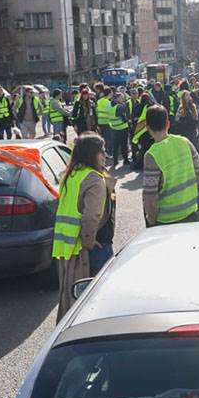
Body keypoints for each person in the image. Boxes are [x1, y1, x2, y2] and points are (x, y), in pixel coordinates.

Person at [51, 133, 115, 320]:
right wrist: (89, 241)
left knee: (72, 297)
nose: (105, 155)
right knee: (97, 301)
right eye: (101, 152)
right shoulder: (94, 179)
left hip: (67, 246)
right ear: (90, 154)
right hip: (90, 248)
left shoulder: (72, 174)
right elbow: (92, 215)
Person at [142, 105, 199, 226]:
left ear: (147, 127)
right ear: (168, 123)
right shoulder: (185, 142)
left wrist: (151, 220)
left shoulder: (151, 155)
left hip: (166, 220)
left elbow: (151, 197)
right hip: (191, 212)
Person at [110, 89, 132, 168]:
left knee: (115, 145)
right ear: (118, 98)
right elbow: (124, 118)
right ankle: (125, 161)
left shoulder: (111, 105)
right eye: (122, 98)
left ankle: (115, 161)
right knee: (123, 145)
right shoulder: (120, 106)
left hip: (114, 127)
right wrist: (128, 121)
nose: (123, 99)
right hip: (122, 128)